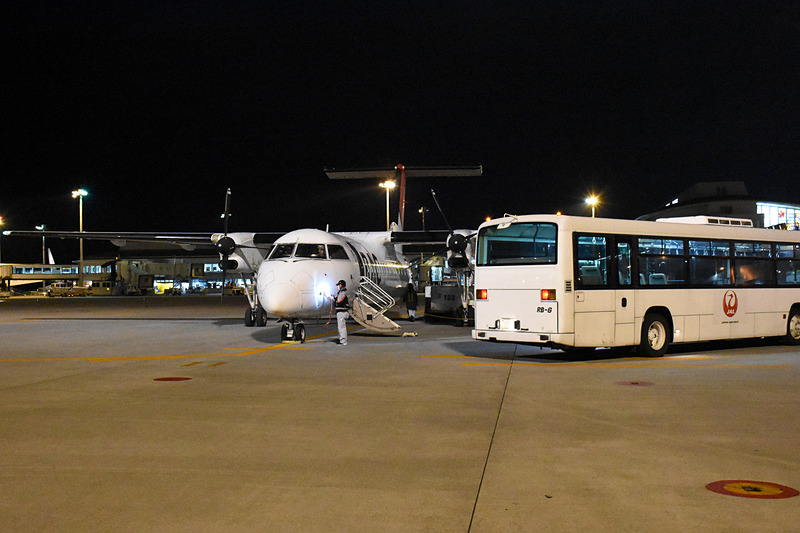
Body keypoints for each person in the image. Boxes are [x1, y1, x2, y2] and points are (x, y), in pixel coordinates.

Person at [333, 279, 350, 345]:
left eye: (339, 285)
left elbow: (339, 302)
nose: (338, 286)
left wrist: (335, 301)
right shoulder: (341, 293)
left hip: (342, 312)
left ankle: (343, 341)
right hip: (341, 312)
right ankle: (342, 340)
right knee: (341, 327)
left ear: (341, 285)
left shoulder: (343, 293)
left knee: (342, 327)